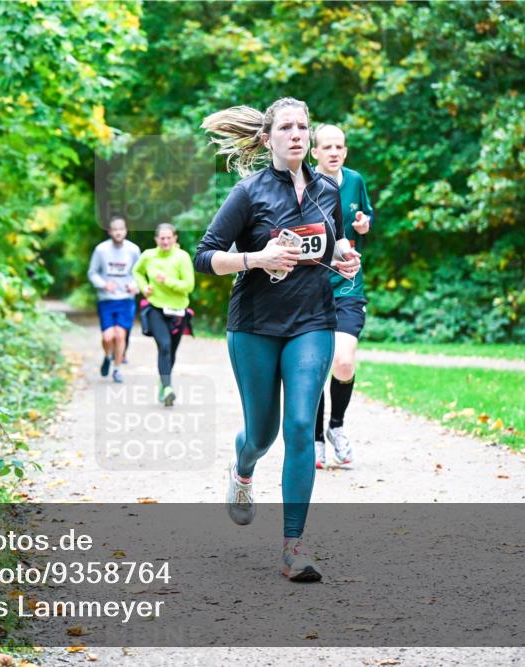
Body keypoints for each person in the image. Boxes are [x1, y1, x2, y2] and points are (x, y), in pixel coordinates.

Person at [195, 98, 360, 582]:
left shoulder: (329, 190)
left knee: (301, 425)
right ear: (267, 139)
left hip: (312, 322)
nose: (296, 134)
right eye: (286, 127)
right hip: (254, 327)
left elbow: (332, 244)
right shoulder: (249, 193)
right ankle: (242, 470)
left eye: (302, 127)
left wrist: (345, 259)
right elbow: (204, 256)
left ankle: (294, 547)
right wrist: (256, 258)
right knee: (262, 434)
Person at [310, 124, 375, 469]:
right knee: (315, 367)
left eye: (339, 147)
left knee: (344, 362)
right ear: (314, 152)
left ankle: (336, 426)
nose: (334, 152)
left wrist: (364, 223)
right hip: (311, 287)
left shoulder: (355, 180)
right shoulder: (303, 183)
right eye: (327, 147)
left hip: (349, 285)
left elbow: (365, 215)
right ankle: (315, 439)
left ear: (345, 151)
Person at [133, 223, 195, 407]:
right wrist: (144, 287)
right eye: (162, 238)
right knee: (165, 346)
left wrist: (166, 281)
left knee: (171, 352)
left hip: (178, 310)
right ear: (156, 239)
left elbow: (188, 286)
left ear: (175, 238)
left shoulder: (182, 257)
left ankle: (163, 383)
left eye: (169, 238)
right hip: (156, 307)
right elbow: (136, 271)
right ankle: (168, 388)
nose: (165, 241)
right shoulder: (148, 255)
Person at [87, 215, 141, 383]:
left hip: (126, 299)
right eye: (115, 230)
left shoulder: (133, 250)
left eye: (121, 229)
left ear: (126, 231)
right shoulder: (101, 250)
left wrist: (134, 285)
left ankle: (117, 368)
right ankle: (107, 356)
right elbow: (92, 273)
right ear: (109, 231)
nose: (118, 233)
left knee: (119, 335)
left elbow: (140, 272)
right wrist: (103, 284)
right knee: (107, 337)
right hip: (106, 299)